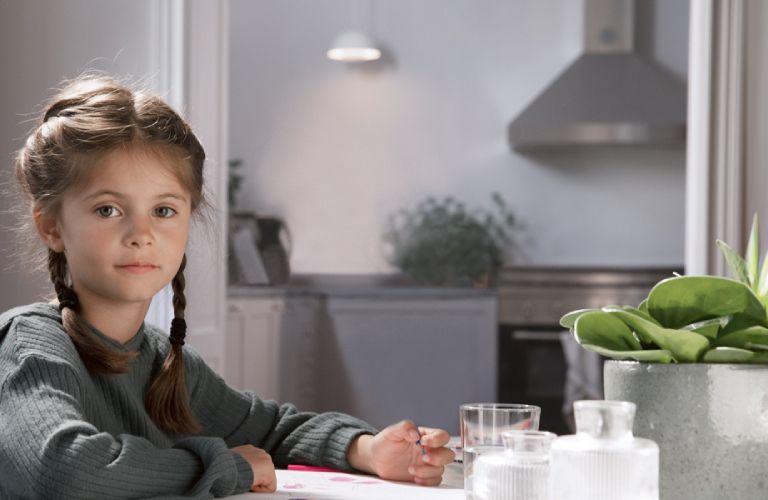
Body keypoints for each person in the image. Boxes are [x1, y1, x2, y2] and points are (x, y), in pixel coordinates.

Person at [0, 74, 454, 499]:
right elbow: (63, 468)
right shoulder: (30, 348)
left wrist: (368, 449)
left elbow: (271, 430)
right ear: (52, 226)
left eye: (164, 210)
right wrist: (227, 467)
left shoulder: (166, 363)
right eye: (107, 210)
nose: (142, 233)